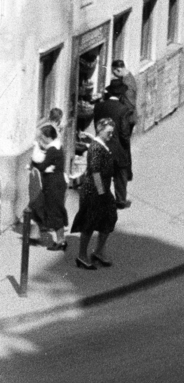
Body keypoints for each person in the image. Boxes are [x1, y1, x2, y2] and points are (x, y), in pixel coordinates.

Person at [72, 115, 118, 270]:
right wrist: (102, 193)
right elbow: (95, 171)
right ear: (100, 130)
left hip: (102, 190)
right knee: (89, 222)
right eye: (108, 132)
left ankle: (98, 251)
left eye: (112, 132)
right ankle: (82, 256)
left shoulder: (100, 144)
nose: (111, 135)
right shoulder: (96, 148)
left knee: (110, 217)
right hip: (94, 191)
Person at [93, 74, 135, 208]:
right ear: (121, 95)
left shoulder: (98, 107)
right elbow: (124, 132)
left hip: (102, 144)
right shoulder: (123, 110)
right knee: (120, 174)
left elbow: (96, 125)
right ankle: (120, 200)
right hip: (118, 147)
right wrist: (126, 146)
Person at [27, 122, 68, 251]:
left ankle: (61, 241)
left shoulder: (52, 149)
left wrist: (33, 163)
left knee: (54, 212)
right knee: (37, 206)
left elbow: (43, 166)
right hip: (53, 183)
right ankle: (35, 234)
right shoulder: (56, 145)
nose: (41, 139)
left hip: (53, 184)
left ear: (46, 136)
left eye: (42, 136)